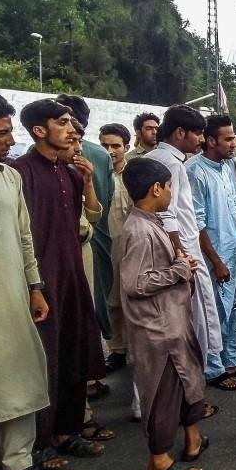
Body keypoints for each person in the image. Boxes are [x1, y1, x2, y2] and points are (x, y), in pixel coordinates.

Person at [12, 99, 106, 463]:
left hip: (72, 275)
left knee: (75, 352)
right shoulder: (21, 173)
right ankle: (41, 441)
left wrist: (86, 179)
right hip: (42, 280)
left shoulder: (68, 172)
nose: (72, 129)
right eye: (63, 123)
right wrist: (35, 285)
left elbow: (89, 220)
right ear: (39, 130)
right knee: (46, 360)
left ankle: (68, 431)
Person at [117, 157, 212, 470]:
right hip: (158, 331)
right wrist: (179, 270)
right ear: (156, 188)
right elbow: (135, 283)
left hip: (173, 322)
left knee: (188, 383)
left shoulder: (150, 221)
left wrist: (178, 263)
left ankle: (193, 439)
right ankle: (159, 461)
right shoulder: (139, 230)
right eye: (169, 186)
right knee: (163, 395)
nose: (171, 192)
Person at [0, 93, 62, 470]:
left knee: (18, 373)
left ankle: (17, 464)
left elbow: (23, 237)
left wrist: (35, 287)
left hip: (12, 295)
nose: (10, 139)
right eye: (2, 133)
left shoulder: (8, 177)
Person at [145, 106, 224, 388]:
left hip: (171, 251)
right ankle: (191, 389)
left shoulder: (159, 158)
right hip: (181, 252)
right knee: (192, 323)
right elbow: (167, 213)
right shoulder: (172, 164)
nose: (201, 140)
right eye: (198, 133)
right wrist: (181, 255)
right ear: (180, 133)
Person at [187, 114, 236, 389]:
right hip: (214, 255)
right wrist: (215, 260)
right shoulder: (195, 172)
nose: (233, 143)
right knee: (214, 312)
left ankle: (232, 360)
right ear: (211, 141)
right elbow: (197, 222)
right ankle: (214, 369)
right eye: (228, 138)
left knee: (234, 308)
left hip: (235, 249)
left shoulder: (228, 166)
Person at [56, 95, 115, 345]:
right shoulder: (99, 154)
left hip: (88, 238)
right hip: (87, 239)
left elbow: (96, 207)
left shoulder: (94, 156)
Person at [99, 123, 135, 373]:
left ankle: (138, 348)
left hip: (135, 246)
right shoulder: (96, 176)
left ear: (127, 147)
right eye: (104, 146)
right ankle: (117, 350)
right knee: (111, 301)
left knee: (135, 299)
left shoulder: (135, 175)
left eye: (115, 146)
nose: (110, 151)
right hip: (107, 246)